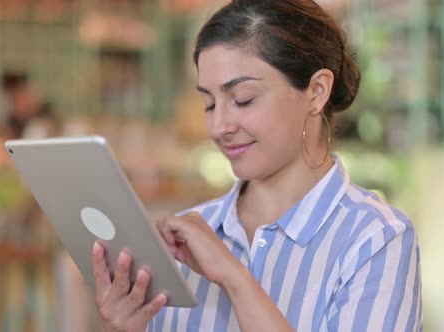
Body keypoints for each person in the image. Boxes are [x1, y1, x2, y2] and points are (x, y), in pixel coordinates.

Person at [91, 0, 423, 331]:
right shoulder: (187, 238)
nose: (219, 126)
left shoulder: (375, 239)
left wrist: (234, 278)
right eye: (209, 104)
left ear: (317, 91)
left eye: (243, 100)